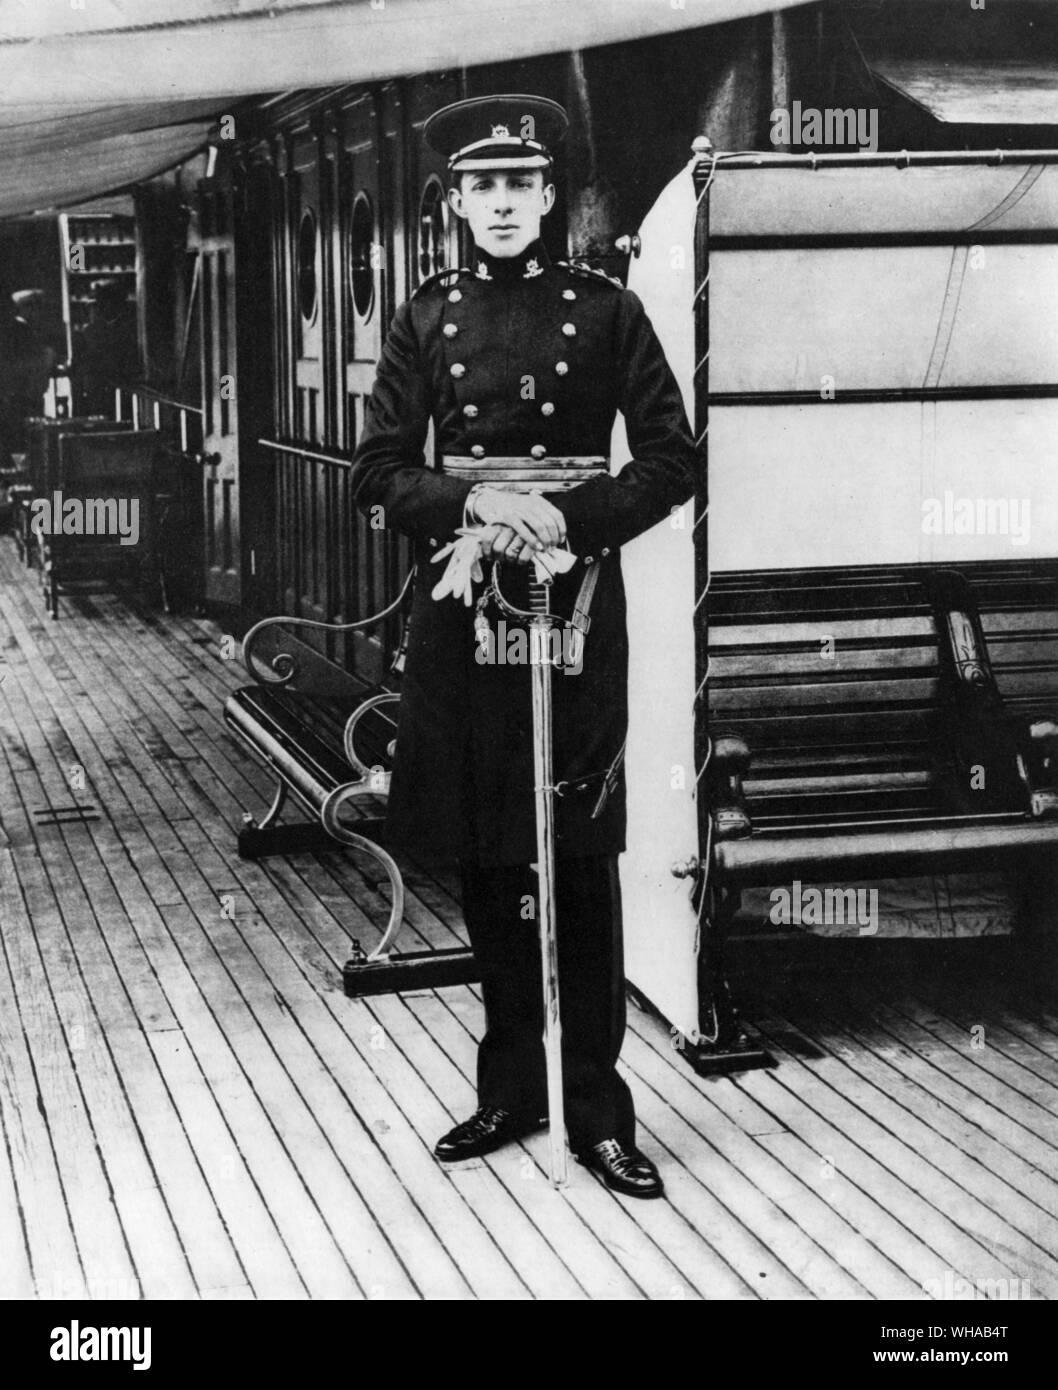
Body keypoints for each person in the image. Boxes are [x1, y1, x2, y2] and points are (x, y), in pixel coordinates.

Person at [350, 95, 697, 1199]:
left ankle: (597, 1112)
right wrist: (476, 498)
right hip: (464, 608)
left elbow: (669, 458)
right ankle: (510, 1089)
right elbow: (380, 474)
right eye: (479, 187)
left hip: (578, 608)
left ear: (546, 197)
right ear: (455, 203)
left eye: (519, 185)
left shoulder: (606, 311)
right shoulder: (422, 318)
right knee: (496, 845)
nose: (500, 204)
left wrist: (569, 517)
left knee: (578, 847)